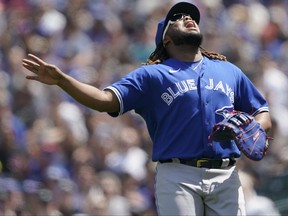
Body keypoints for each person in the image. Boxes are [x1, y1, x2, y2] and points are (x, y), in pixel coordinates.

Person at [22, 2, 272, 216]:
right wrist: (63, 80)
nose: (187, 18)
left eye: (191, 17)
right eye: (177, 18)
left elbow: (261, 110)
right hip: (178, 176)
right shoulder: (152, 75)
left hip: (225, 174)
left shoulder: (228, 71)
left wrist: (254, 126)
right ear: (166, 37)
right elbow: (104, 99)